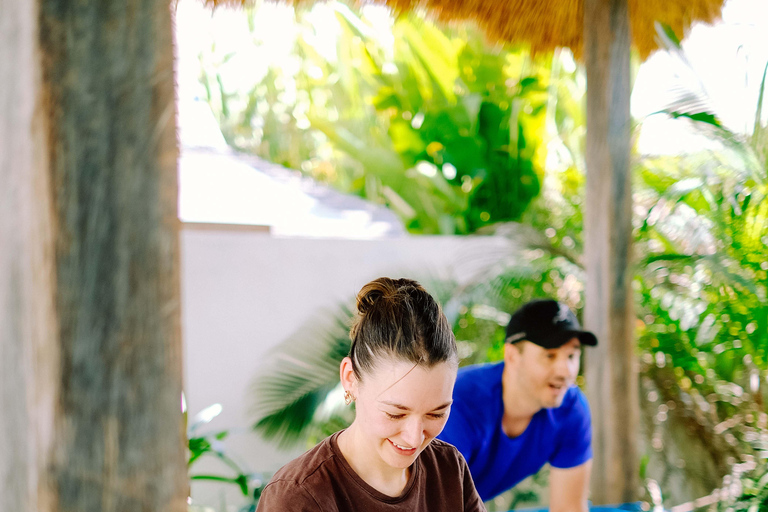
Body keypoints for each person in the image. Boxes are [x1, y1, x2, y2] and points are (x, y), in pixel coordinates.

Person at [256, 277, 486, 512]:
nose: (414, 438)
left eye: (436, 414)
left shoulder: (448, 469)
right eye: (395, 414)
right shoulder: (299, 496)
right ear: (350, 378)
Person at [438, 299, 597, 511]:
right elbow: (433, 502)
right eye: (550, 355)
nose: (565, 371)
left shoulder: (570, 410)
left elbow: (570, 508)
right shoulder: (458, 404)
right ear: (512, 355)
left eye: (571, 355)